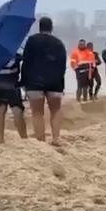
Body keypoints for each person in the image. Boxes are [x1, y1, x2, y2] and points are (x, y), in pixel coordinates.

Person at [21, 17, 67, 145]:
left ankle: (40, 140)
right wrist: (60, 84)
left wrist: (23, 81)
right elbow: (62, 65)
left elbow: (26, 62)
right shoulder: (59, 43)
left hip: (34, 82)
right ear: (51, 27)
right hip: (55, 83)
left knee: (37, 112)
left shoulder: (32, 40)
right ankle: (56, 139)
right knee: (56, 110)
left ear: (39, 27)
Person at [0, 53, 27, 144]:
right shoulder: (14, 55)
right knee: (17, 110)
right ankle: (24, 138)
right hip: (11, 85)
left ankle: (0, 140)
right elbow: (22, 63)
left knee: (0, 109)